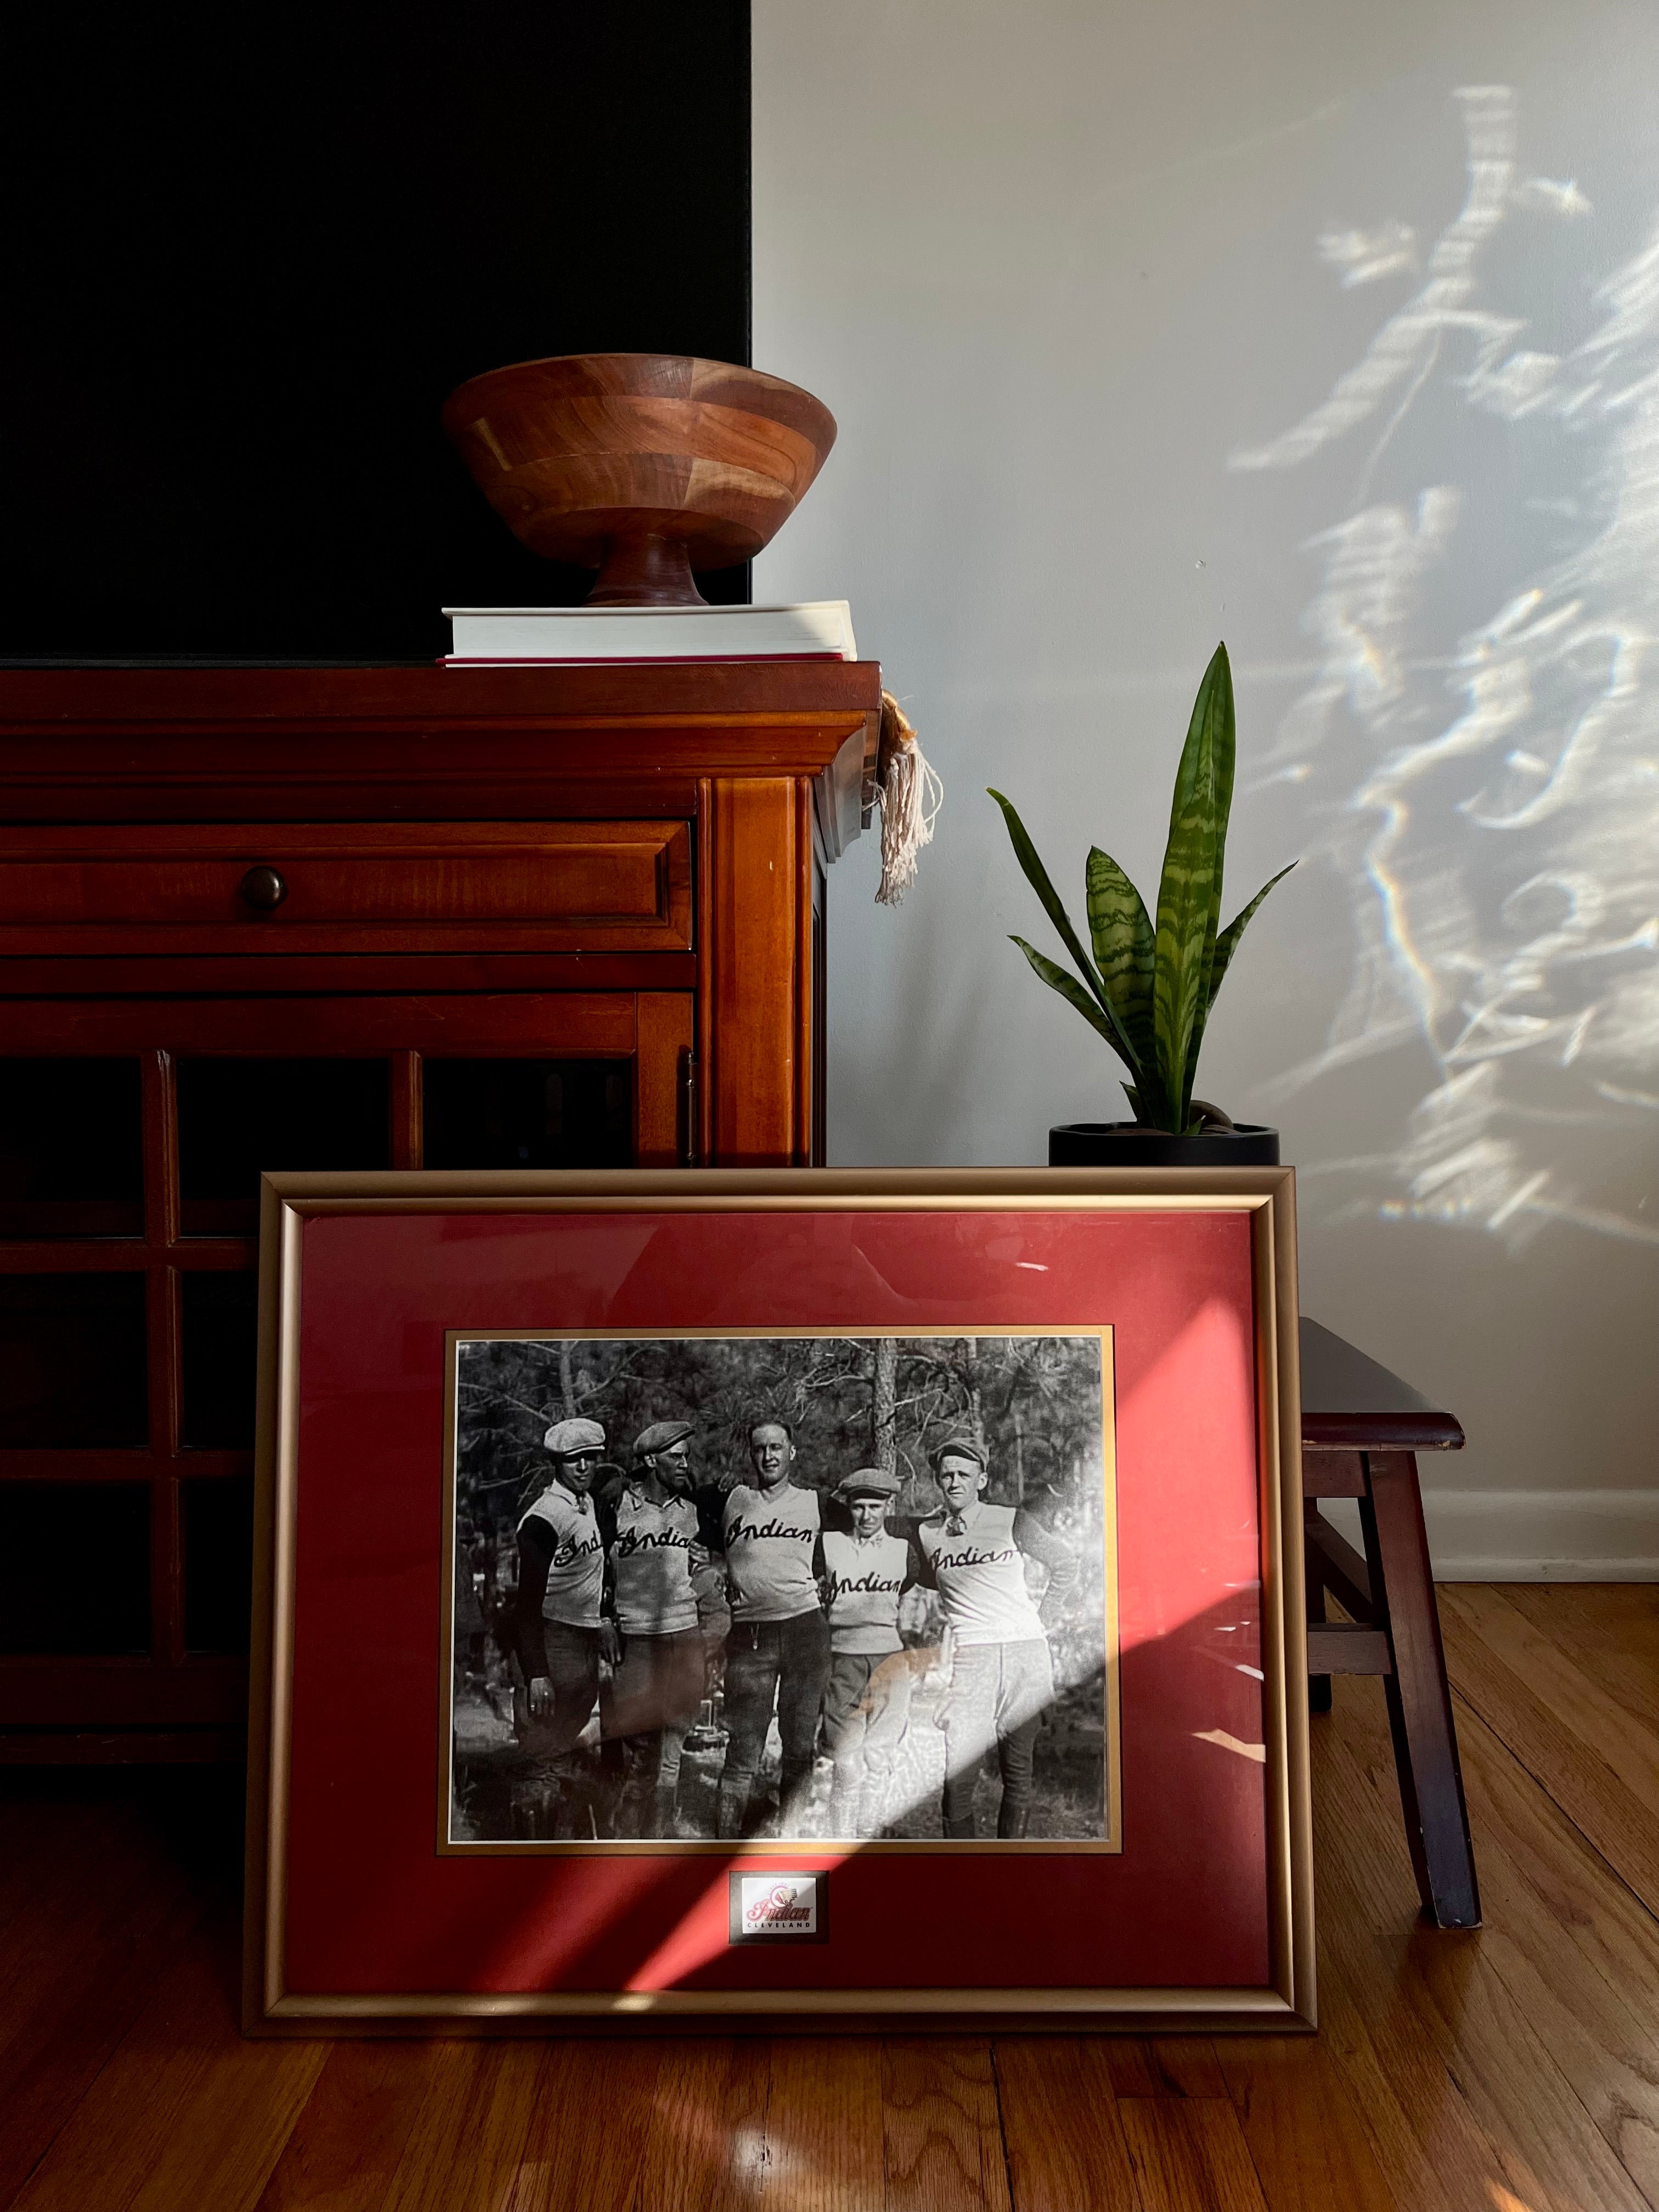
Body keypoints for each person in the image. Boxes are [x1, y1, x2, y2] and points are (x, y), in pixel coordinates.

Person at [916, 1434, 1079, 1840]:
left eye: (964, 1474)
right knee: (958, 1777)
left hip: (1025, 1655)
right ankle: (964, 1876)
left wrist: (1043, 1620)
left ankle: (1008, 1870)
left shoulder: (1010, 1520)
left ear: (982, 1480)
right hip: (973, 1660)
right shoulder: (928, 1534)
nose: (954, 1482)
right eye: (946, 1475)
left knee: (1018, 1772)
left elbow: (1065, 1562)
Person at [594, 1419, 719, 1838]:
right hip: (637, 1640)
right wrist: (603, 1619)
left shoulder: (693, 1512)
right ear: (651, 1460)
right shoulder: (614, 1507)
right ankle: (625, 1843)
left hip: (685, 1638)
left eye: (687, 1456)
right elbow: (592, 1571)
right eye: (675, 1457)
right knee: (641, 1749)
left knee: (673, 1747)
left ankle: (659, 1839)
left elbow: (706, 1570)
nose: (685, 1465)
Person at [714, 1418, 831, 1839]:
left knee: (799, 1748)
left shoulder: (815, 1502)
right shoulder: (732, 1500)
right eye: (760, 1448)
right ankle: (726, 1845)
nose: (769, 1456)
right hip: (750, 1635)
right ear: (752, 1454)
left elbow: (865, 1531)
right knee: (743, 1747)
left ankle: (792, 1841)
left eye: (777, 1447)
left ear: (792, 1452)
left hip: (804, 1631)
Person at [510, 1417, 611, 1838]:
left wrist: (603, 1620)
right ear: (557, 1463)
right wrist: (536, 1672)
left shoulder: (585, 1505)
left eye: (590, 1458)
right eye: (574, 1460)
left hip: (582, 1641)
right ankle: (529, 1859)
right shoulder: (544, 1518)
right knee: (540, 1763)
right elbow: (525, 1606)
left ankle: (561, 1850)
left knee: (565, 1752)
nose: (584, 1467)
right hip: (551, 1641)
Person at [819, 1468, 923, 1839]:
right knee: (845, 1761)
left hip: (889, 1661)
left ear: (887, 1506)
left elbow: (908, 1584)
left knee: (878, 1758)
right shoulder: (830, 1545)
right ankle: (839, 1841)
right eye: (859, 1506)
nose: (867, 1515)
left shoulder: (903, 1551)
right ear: (849, 1507)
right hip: (843, 1659)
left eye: (875, 1507)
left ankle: (870, 1840)